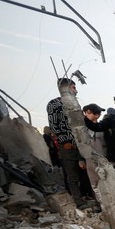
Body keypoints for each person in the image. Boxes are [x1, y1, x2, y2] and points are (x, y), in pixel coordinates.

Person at [46, 78, 87, 207]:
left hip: (81, 142)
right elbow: (54, 125)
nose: (76, 91)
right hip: (68, 145)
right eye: (73, 88)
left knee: (85, 171)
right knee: (72, 174)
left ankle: (87, 196)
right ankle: (78, 201)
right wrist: (64, 140)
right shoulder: (55, 104)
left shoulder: (75, 104)